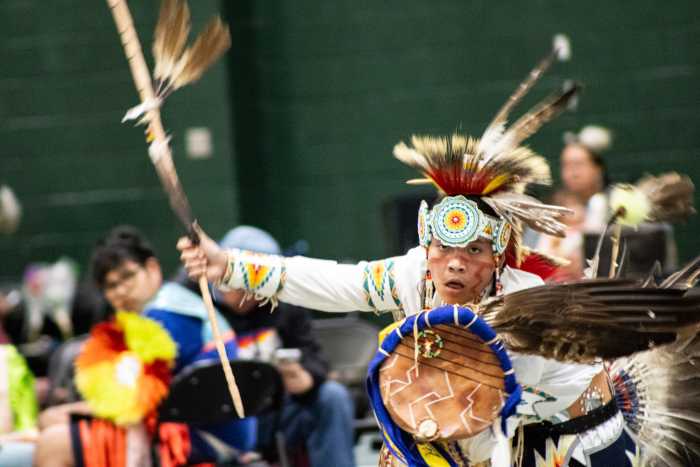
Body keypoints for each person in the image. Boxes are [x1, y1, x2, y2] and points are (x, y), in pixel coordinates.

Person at [178, 40, 641, 466]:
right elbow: (334, 283)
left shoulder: (524, 302)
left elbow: (502, 422)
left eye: (474, 250)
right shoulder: (413, 274)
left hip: (576, 437)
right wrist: (229, 265)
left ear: (499, 256)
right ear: (427, 242)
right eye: (445, 247)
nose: (456, 262)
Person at [34, 226, 256, 467]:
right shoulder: (175, 302)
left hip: (204, 439)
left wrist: (66, 413)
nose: (120, 291)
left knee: (53, 443)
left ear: (152, 268)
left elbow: (128, 403)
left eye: (128, 276)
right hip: (200, 430)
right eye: (110, 285)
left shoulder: (167, 317)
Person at [179, 225, 356, 467]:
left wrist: (305, 377)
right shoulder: (189, 303)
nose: (247, 293)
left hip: (274, 415)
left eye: (256, 284)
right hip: (214, 423)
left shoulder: (281, 301)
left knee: (331, 397)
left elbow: (313, 355)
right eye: (238, 279)